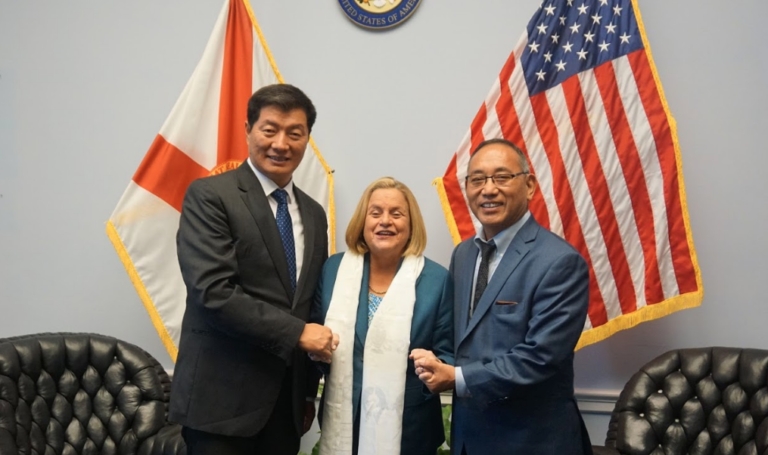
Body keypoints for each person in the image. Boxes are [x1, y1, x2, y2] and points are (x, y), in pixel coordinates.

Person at [170, 84, 336, 455]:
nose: (281, 143)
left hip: (286, 407)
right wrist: (297, 334)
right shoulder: (210, 196)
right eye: (270, 129)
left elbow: (308, 304)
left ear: (307, 139)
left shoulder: (313, 213)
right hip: (220, 406)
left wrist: (308, 391)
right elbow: (213, 292)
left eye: (295, 133)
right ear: (248, 129)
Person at [411, 138, 592, 455]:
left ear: (530, 185)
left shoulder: (559, 262)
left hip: (531, 441)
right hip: (469, 438)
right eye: (477, 179)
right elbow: (464, 341)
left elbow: (540, 358)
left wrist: (457, 377)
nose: (488, 189)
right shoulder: (464, 254)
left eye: (502, 177)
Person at [313, 177, 454, 455]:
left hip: (409, 429)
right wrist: (317, 354)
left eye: (397, 214)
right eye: (375, 212)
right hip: (343, 421)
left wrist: (433, 368)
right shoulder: (333, 270)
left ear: (411, 224)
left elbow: (448, 353)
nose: (385, 221)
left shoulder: (438, 280)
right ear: (362, 222)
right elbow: (313, 336)